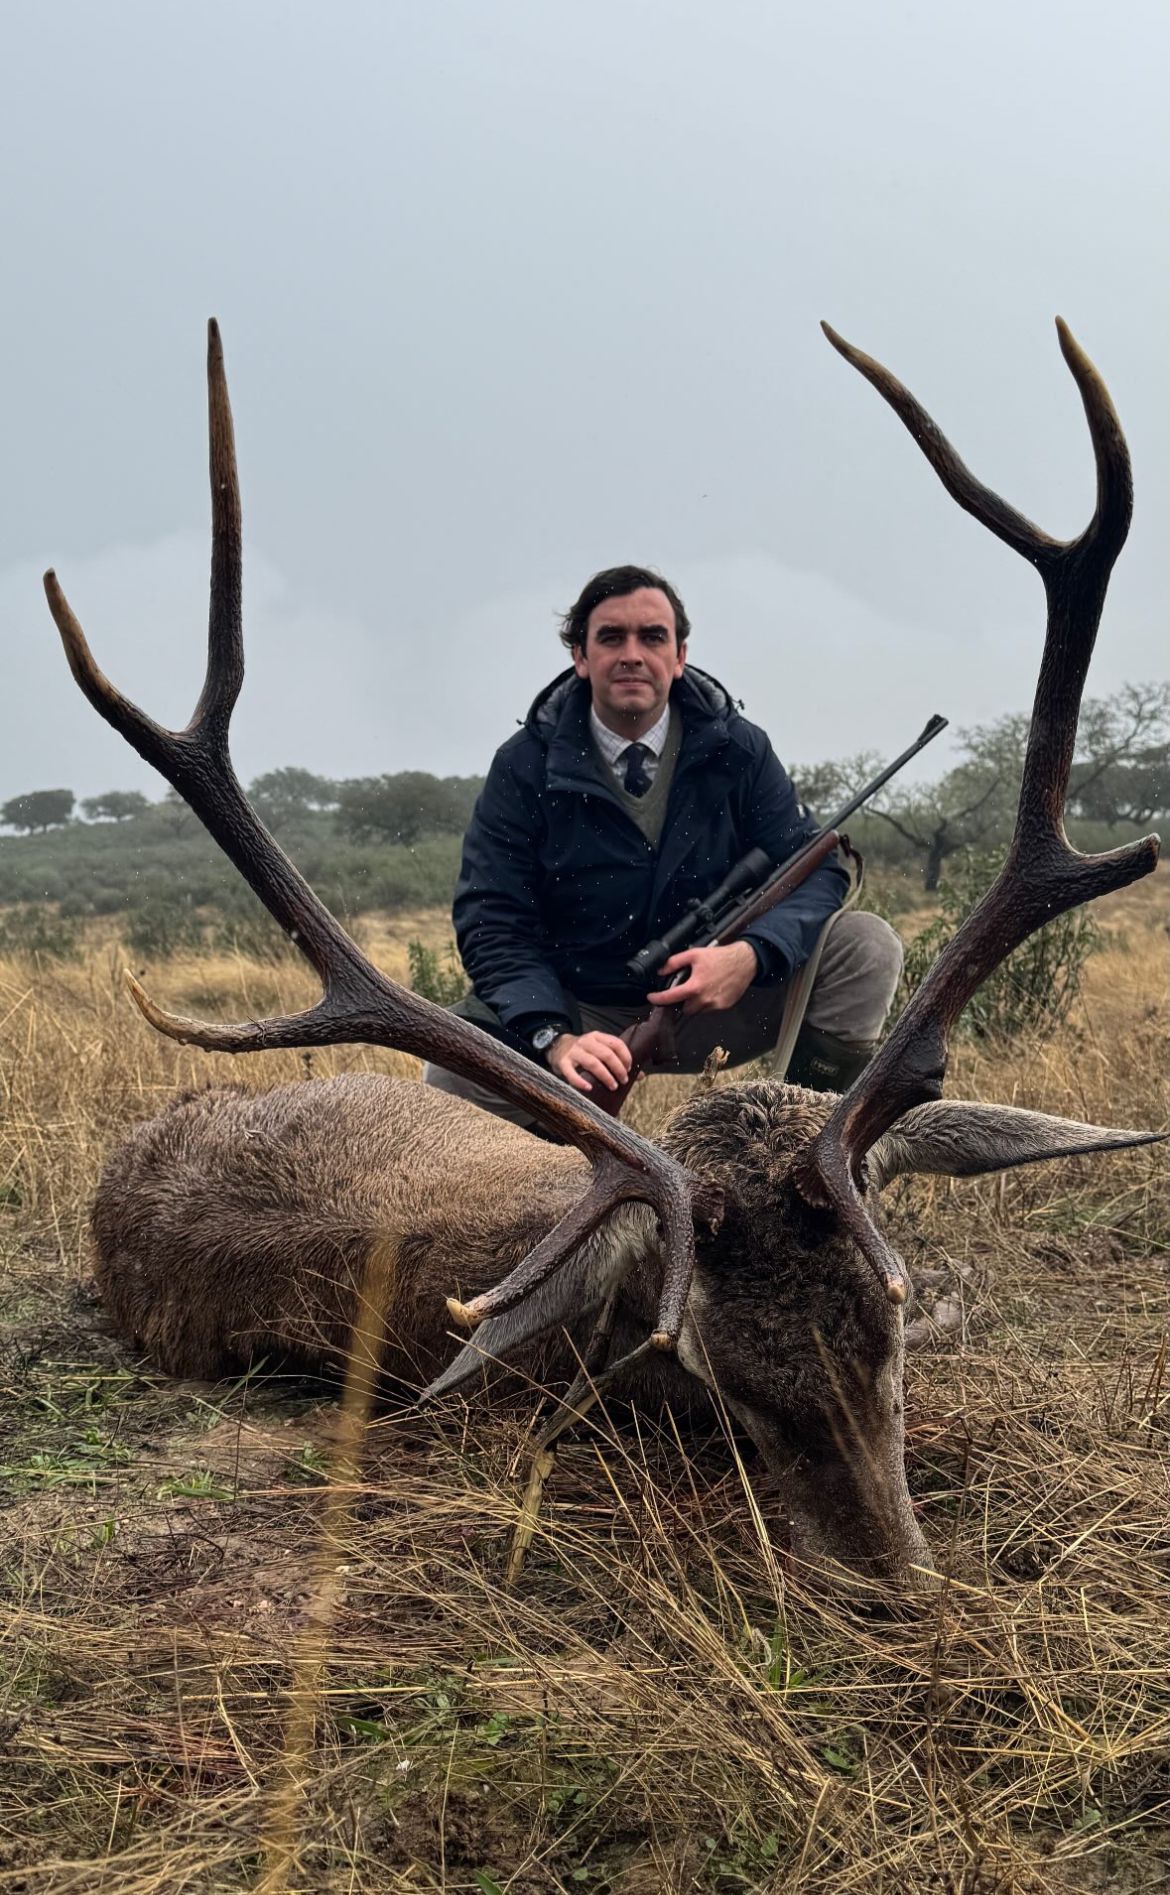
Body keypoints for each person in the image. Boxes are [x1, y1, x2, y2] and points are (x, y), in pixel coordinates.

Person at [423, 565, 903, 1122]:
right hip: (582, 1009)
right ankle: (556, 1156)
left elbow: (816, 869)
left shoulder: (740, 749)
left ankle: (804, 1137)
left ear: (679, 656)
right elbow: (492, 921)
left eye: (652, 637)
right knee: (454, 1068)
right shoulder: (523, 764)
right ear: (580, 657)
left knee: (865, 946)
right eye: (611, 637)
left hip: (721, 997)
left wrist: (751, 955)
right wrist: (554, 1037)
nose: (632, 655)